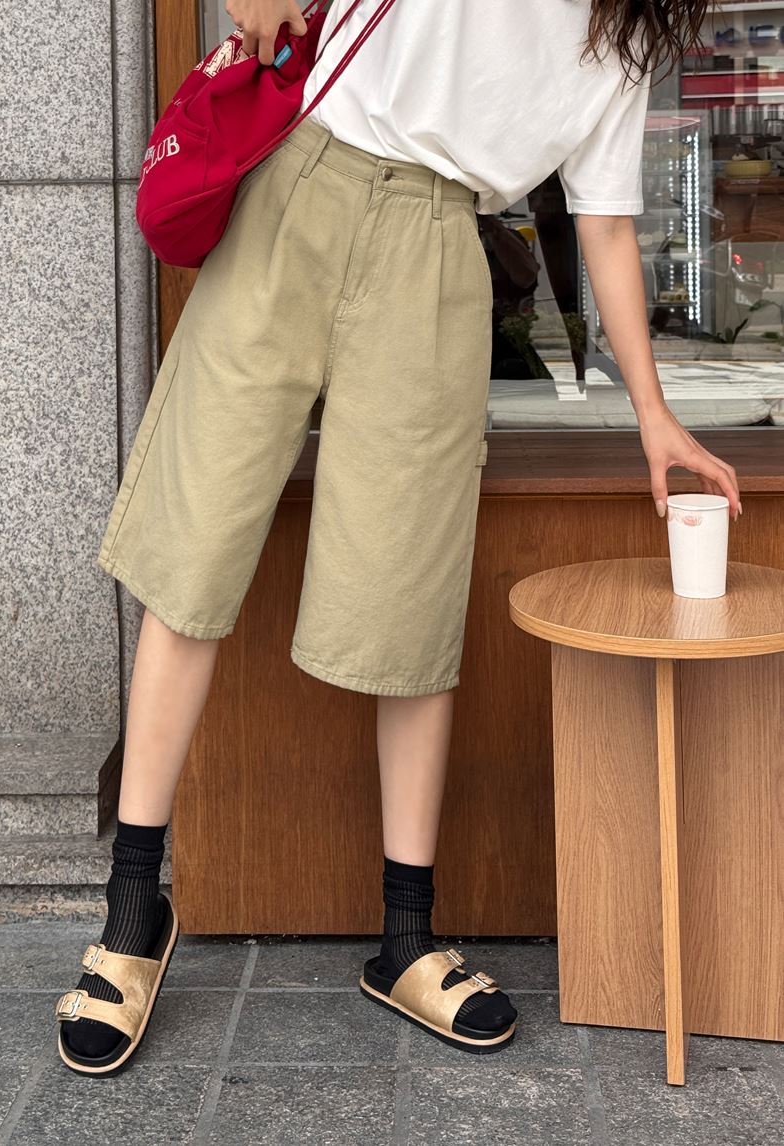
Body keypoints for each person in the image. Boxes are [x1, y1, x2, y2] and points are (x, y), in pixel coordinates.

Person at [54, 0, 741, 1074]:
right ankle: (133, 911)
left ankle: (407, 938)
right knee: (190, 553)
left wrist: (654, 414)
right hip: (301, 188)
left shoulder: (622, 43)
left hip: (438, 250)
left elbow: (604, 224)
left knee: (409, 593)